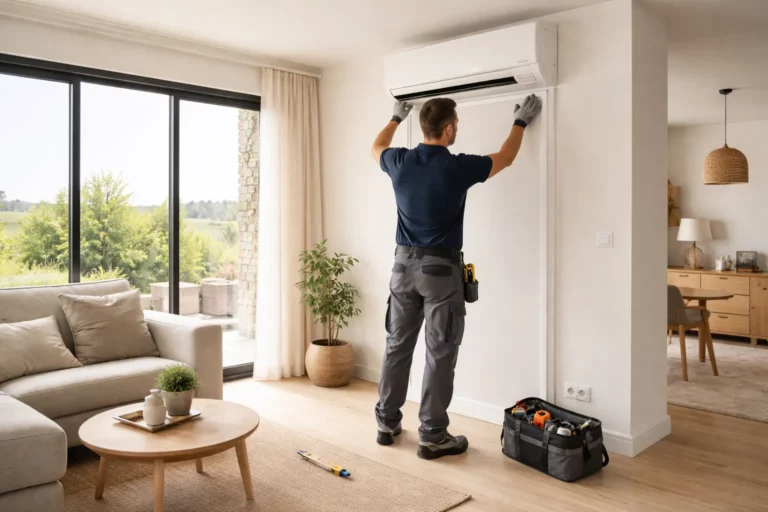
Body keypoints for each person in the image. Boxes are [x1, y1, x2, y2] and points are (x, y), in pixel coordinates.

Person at [370, 94, 542, 460]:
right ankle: (432, 435)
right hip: (440, 272)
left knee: (397, 346)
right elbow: (506, 158)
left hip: (401, 268)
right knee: (440, 352)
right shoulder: (456, 167)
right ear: (448, 130)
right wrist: (521, 121)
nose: (457, 130)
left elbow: (377, 146)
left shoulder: (399, 160)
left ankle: (386, 422)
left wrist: (395, 118)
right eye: (457, 125)